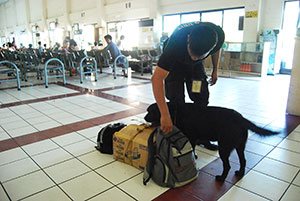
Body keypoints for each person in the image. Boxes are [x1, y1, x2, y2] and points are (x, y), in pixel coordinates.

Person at [151, 21, 225, 150]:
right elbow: (157, 78)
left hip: (195, 69)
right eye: (192, 53)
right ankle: (178, 137)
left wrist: (215, 69)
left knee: (201, 99)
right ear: (189, 40)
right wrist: (164, 115)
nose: (194, 58)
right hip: (175, 65)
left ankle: (201, 136)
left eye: (199, 56)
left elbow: (216, 50)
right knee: (176, 100)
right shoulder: (175, 44)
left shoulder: (217, 35)